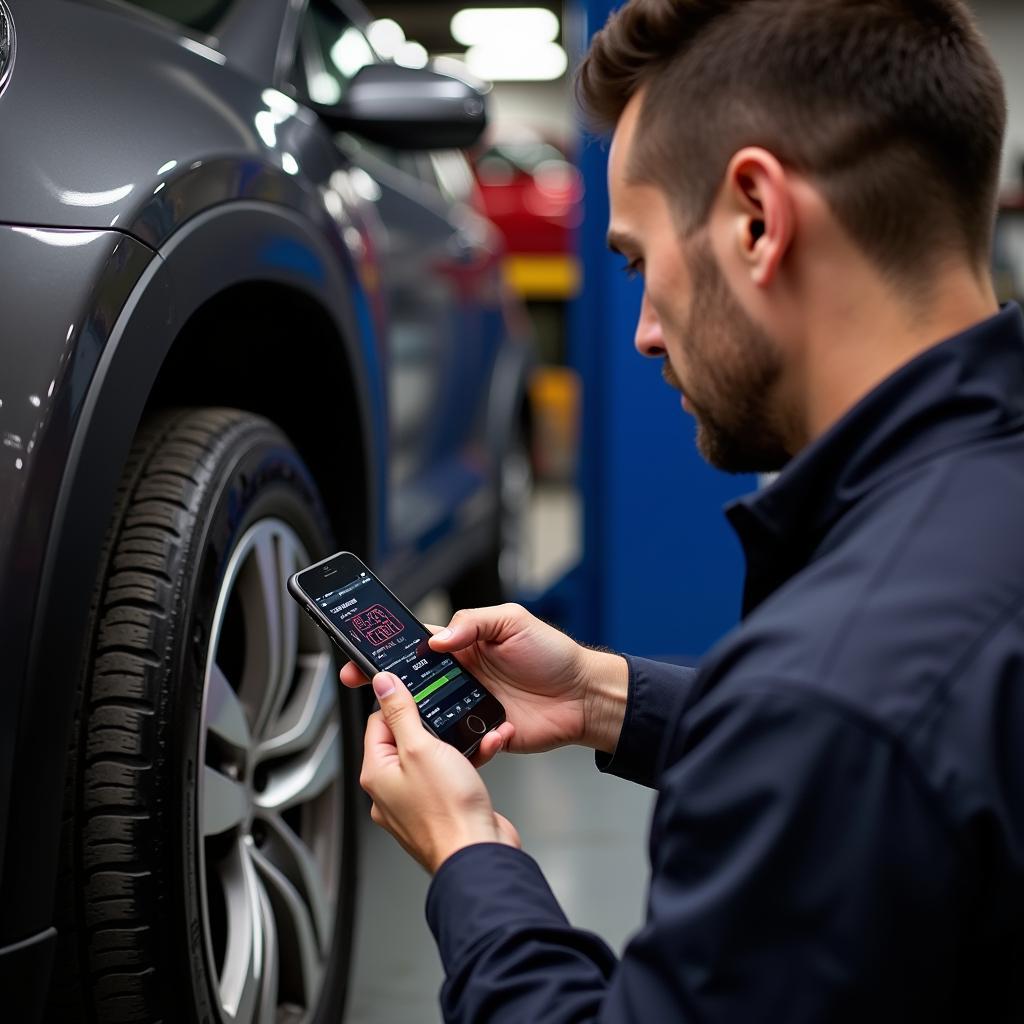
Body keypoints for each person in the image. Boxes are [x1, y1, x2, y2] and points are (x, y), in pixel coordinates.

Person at [343, 0, 1024, 1019]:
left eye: (636, 261)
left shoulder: (832, 686)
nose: (644, 333)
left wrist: (468, 858)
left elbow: (845, 723)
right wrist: (602, 697)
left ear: (757, 218)